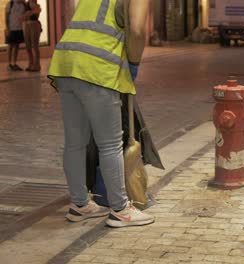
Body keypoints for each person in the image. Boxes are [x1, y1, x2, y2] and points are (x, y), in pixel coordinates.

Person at [47, 0, 155, 228]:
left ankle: (80, 204)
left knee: (75, 143)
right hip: (96, 66)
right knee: (110, 144)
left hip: (66, 63)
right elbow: (136, 30)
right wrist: (133, 64)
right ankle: (120, 209)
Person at [5, 0, 26, 71]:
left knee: (16, 46)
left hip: (19, 28)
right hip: (11, 28)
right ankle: (9, 64)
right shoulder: (10, 4)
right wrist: (7, 28)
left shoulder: (23, 5)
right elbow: (6, 17)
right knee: (10, 46)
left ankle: (14, 63)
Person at [21, 0, 41, 72]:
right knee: (28, 46)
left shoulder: (37, 5)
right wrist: (27, 14)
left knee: (35, 46)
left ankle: (37, 65)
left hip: (34, 25)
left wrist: (28, 13)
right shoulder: (25, 5)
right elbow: (23, 17)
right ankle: (31, 63)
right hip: (26, 25)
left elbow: (35, 12)